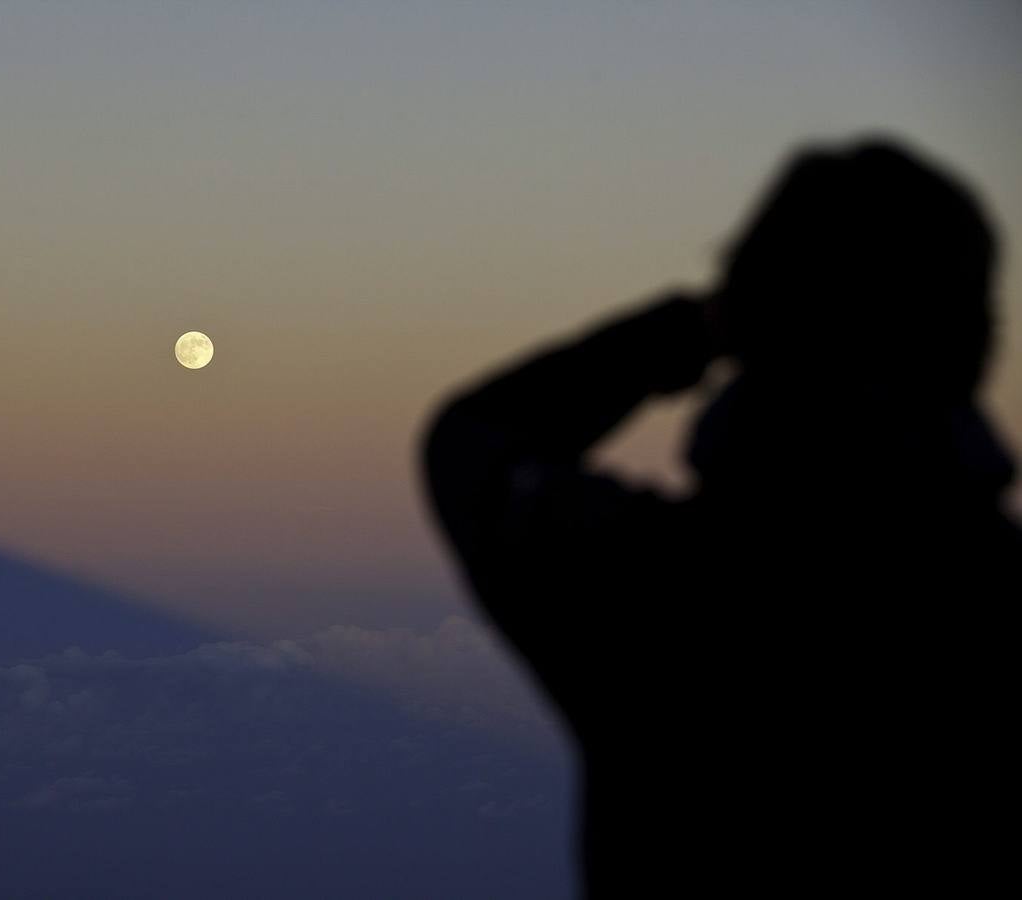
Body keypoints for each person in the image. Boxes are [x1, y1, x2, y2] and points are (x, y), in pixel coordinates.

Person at [422, 137, 1019, 897]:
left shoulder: (648, 588)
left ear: (748, 317)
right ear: (976, 343)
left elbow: (471, 443)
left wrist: (688, 330)